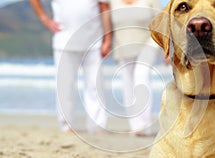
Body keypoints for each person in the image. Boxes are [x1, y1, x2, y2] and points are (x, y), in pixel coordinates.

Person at [29, 0, 112, 133]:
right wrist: (44, 18)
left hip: (94, 42)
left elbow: (104, 7)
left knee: (95, 86)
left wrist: (107, 39)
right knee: (64, 87)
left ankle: (97, 126)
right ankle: (66, 126)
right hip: (63, 41)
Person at [108, 0, 162, 136]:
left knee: (141, 76)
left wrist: (169, 49)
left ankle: (144, 125)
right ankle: (135, 125)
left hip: (148, 44)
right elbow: (107, 22)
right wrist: (107, 41)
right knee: (128, 84)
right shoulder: (112, 2)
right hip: (123, 46)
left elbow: (161, 23)